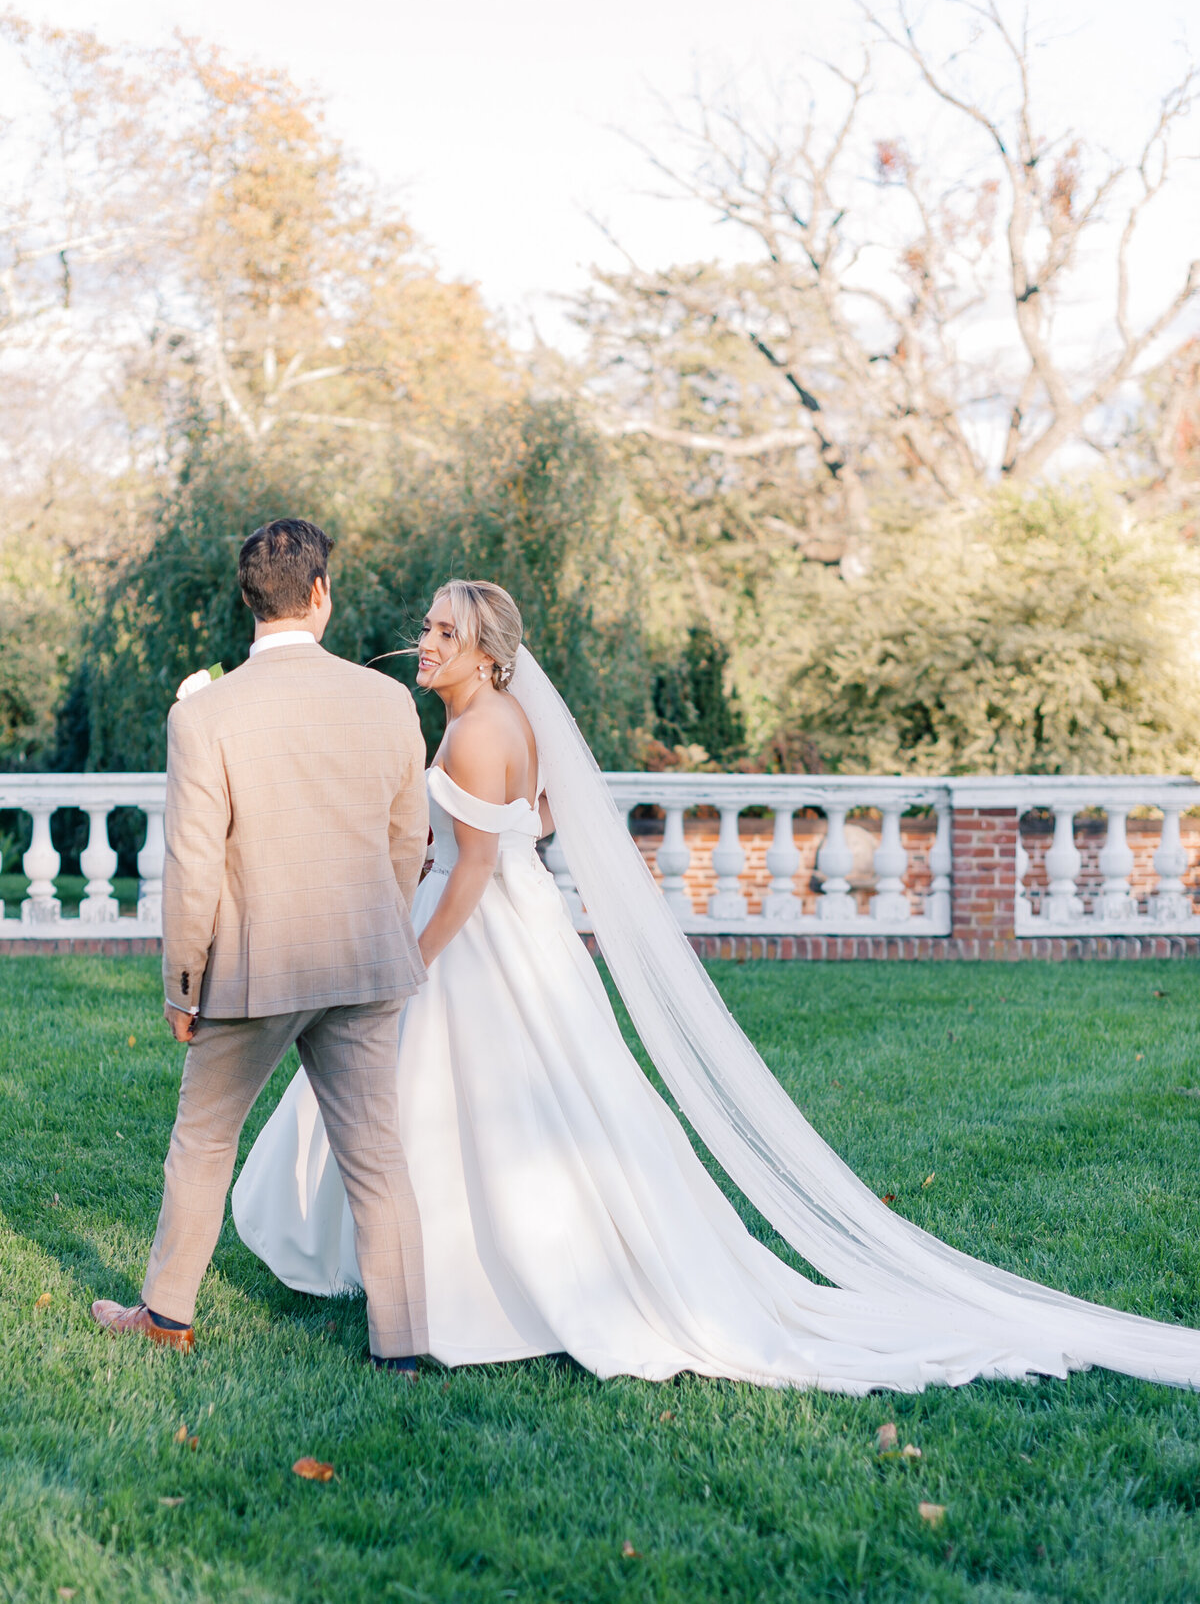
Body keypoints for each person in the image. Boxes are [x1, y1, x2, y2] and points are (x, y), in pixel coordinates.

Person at [233, 579, 1200, 1391]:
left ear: (487, 652)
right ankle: (431, 1276)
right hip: (515, 931)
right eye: (430, 628)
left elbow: (476, 870)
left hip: (477, 935)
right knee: (483, 1103)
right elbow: (537, 827)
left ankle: (485, 1287)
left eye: (446, 631)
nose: (426, 641)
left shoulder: (482, 729)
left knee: (456, 1104)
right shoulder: (505, 719)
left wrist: (413, 959)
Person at [92, 519, 429, 1375]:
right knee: (378, 1155)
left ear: (248, 599)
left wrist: (181, 982)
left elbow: (193, 861)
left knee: (203, 1140)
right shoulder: (388, 700)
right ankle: (402, 1343)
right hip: (364, 959)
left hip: (253, 968)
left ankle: (167, 1313)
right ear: (320, 592)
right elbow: (406, 839)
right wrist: (377, 933)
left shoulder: (204, 714)